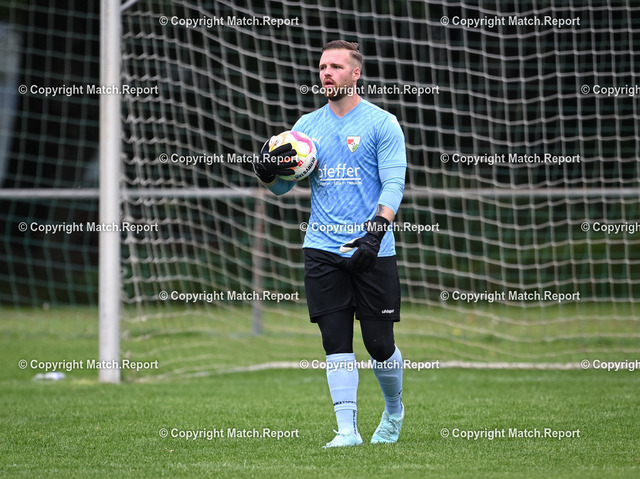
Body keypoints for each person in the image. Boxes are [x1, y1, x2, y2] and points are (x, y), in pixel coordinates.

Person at [253, 40, 407, 448]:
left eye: (336, 66)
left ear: (355, 73)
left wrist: (376, 231)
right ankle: (347, 431)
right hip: (321, 247)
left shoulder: (382, 123)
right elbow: (283, 188)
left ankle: (394, 410)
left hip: (371, 246)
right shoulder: (305, 128)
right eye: (322, 67)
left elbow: (394, 183)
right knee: (334, 341)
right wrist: (267, 173)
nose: (326, 73)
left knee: (379, 345)